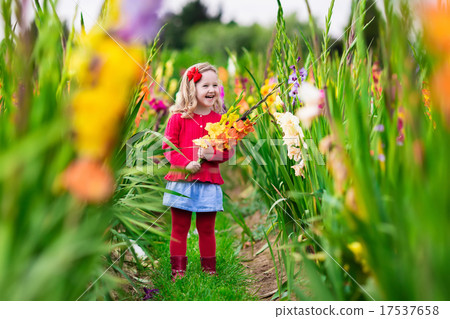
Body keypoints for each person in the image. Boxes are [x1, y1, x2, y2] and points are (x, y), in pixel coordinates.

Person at [162, 62, 235, 281]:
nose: (211, 90)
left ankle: (209, 270)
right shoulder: (178, 118)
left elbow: (228, 151)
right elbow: (168, 147)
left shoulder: (221, 121)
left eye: (215, 85)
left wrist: (213, 155)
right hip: (182, 181)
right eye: (205, 85)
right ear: (191, 88)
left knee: (206, 228)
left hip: (208, 181)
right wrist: (185, 163)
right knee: (180, 227)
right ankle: (178, 271)